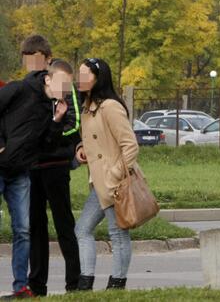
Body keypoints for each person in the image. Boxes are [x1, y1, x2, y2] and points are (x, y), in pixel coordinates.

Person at [0, 35, 68, 299]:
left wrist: (57, 121)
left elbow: (47, 144)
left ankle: (20, 287)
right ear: (48, 78)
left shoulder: (51, 107)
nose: (64, 89)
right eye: (60, 83)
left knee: (23, 230)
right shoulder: (19, 89)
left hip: (20, 174)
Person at [74, 58, 139, 290]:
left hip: (114, 183)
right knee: (82, 229)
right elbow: (95, 140)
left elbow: (130, 146)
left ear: (97, 78)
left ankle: (117, 283)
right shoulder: (88, 106)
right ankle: (85, 282)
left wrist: (113, 177)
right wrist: (81, 149)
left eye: (84, 75)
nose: (79, 79)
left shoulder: (110, 106)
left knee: (118, 233)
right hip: (98, 183)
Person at [28, 59, 82, 296]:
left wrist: (54, 128)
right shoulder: (32, 93)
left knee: (64, 224)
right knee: (35, 226)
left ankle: (74, 283)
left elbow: (73, 126)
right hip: (33, 167)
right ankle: (37, 285)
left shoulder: (68, 96)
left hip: (57, 166)